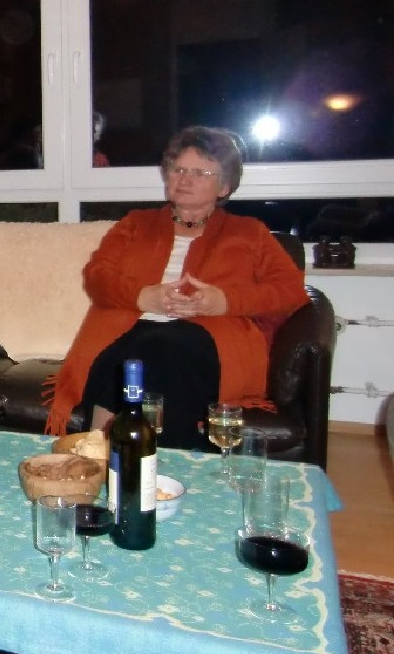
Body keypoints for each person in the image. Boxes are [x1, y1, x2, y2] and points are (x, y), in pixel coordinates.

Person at [44, 126, 308, 449]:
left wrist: (223, 301)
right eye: (178, 169)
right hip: (131, 331)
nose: (184, 179)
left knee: (159, 348)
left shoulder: (249, 233)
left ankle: (100, 450)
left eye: (200, 172)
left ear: (224, 186)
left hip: (210, 341)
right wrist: (142, 297)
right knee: (137, 350)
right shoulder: (136, 223)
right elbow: (97, 276)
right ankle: (127, 458)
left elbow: (290, 290)